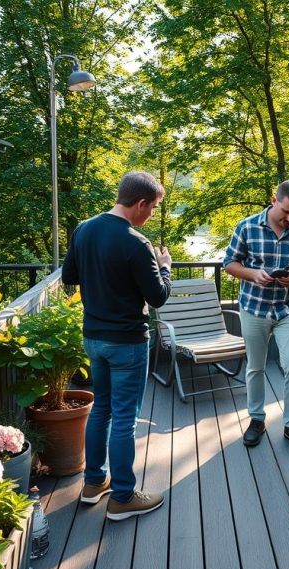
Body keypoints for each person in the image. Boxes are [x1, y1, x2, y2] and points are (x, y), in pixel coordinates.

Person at [61, 170, 172, 520]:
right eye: (152, 207)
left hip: (93, 338)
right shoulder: (136, 243)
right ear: (139, 203)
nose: (151, 214)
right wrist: (164, 266)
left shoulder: (84, 229)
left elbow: (69, 278)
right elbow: (158, 297)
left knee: (102, 409)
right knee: (125, 419)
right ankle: (123, 497)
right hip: (127, 343)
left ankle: (94, 483)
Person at [222, 180, 289, 452]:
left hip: (288, 308)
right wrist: (253, 274)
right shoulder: (247, 226)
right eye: (286, 212)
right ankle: (256, 419)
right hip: (254, 308)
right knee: (255, 366)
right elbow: (229, 263)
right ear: (273, 199)